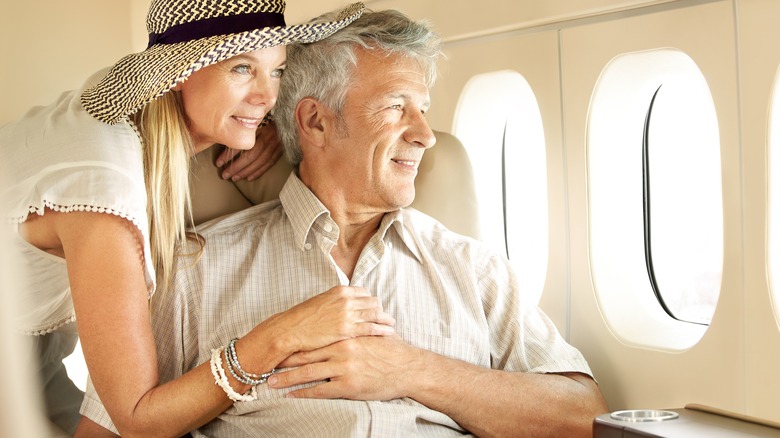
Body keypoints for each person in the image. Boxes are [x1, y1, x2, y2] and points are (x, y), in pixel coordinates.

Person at [80, 7, 609, 438]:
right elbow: (108, 430)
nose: (425, 133)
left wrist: (409, 370)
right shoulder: (196, 269)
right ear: (314, 120)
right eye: (396, 107)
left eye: (423, 109)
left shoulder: (475, 270)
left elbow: (585, 416)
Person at [0, 1, 384, 437]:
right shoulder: (102, 193)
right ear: (176, 72)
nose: (268, 95)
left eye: (276, 71)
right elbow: (137, 418)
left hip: (36, 352)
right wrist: (282, 335)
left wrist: (267, 125)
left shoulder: (129, 111)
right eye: (242, 68)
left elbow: (252, 99)